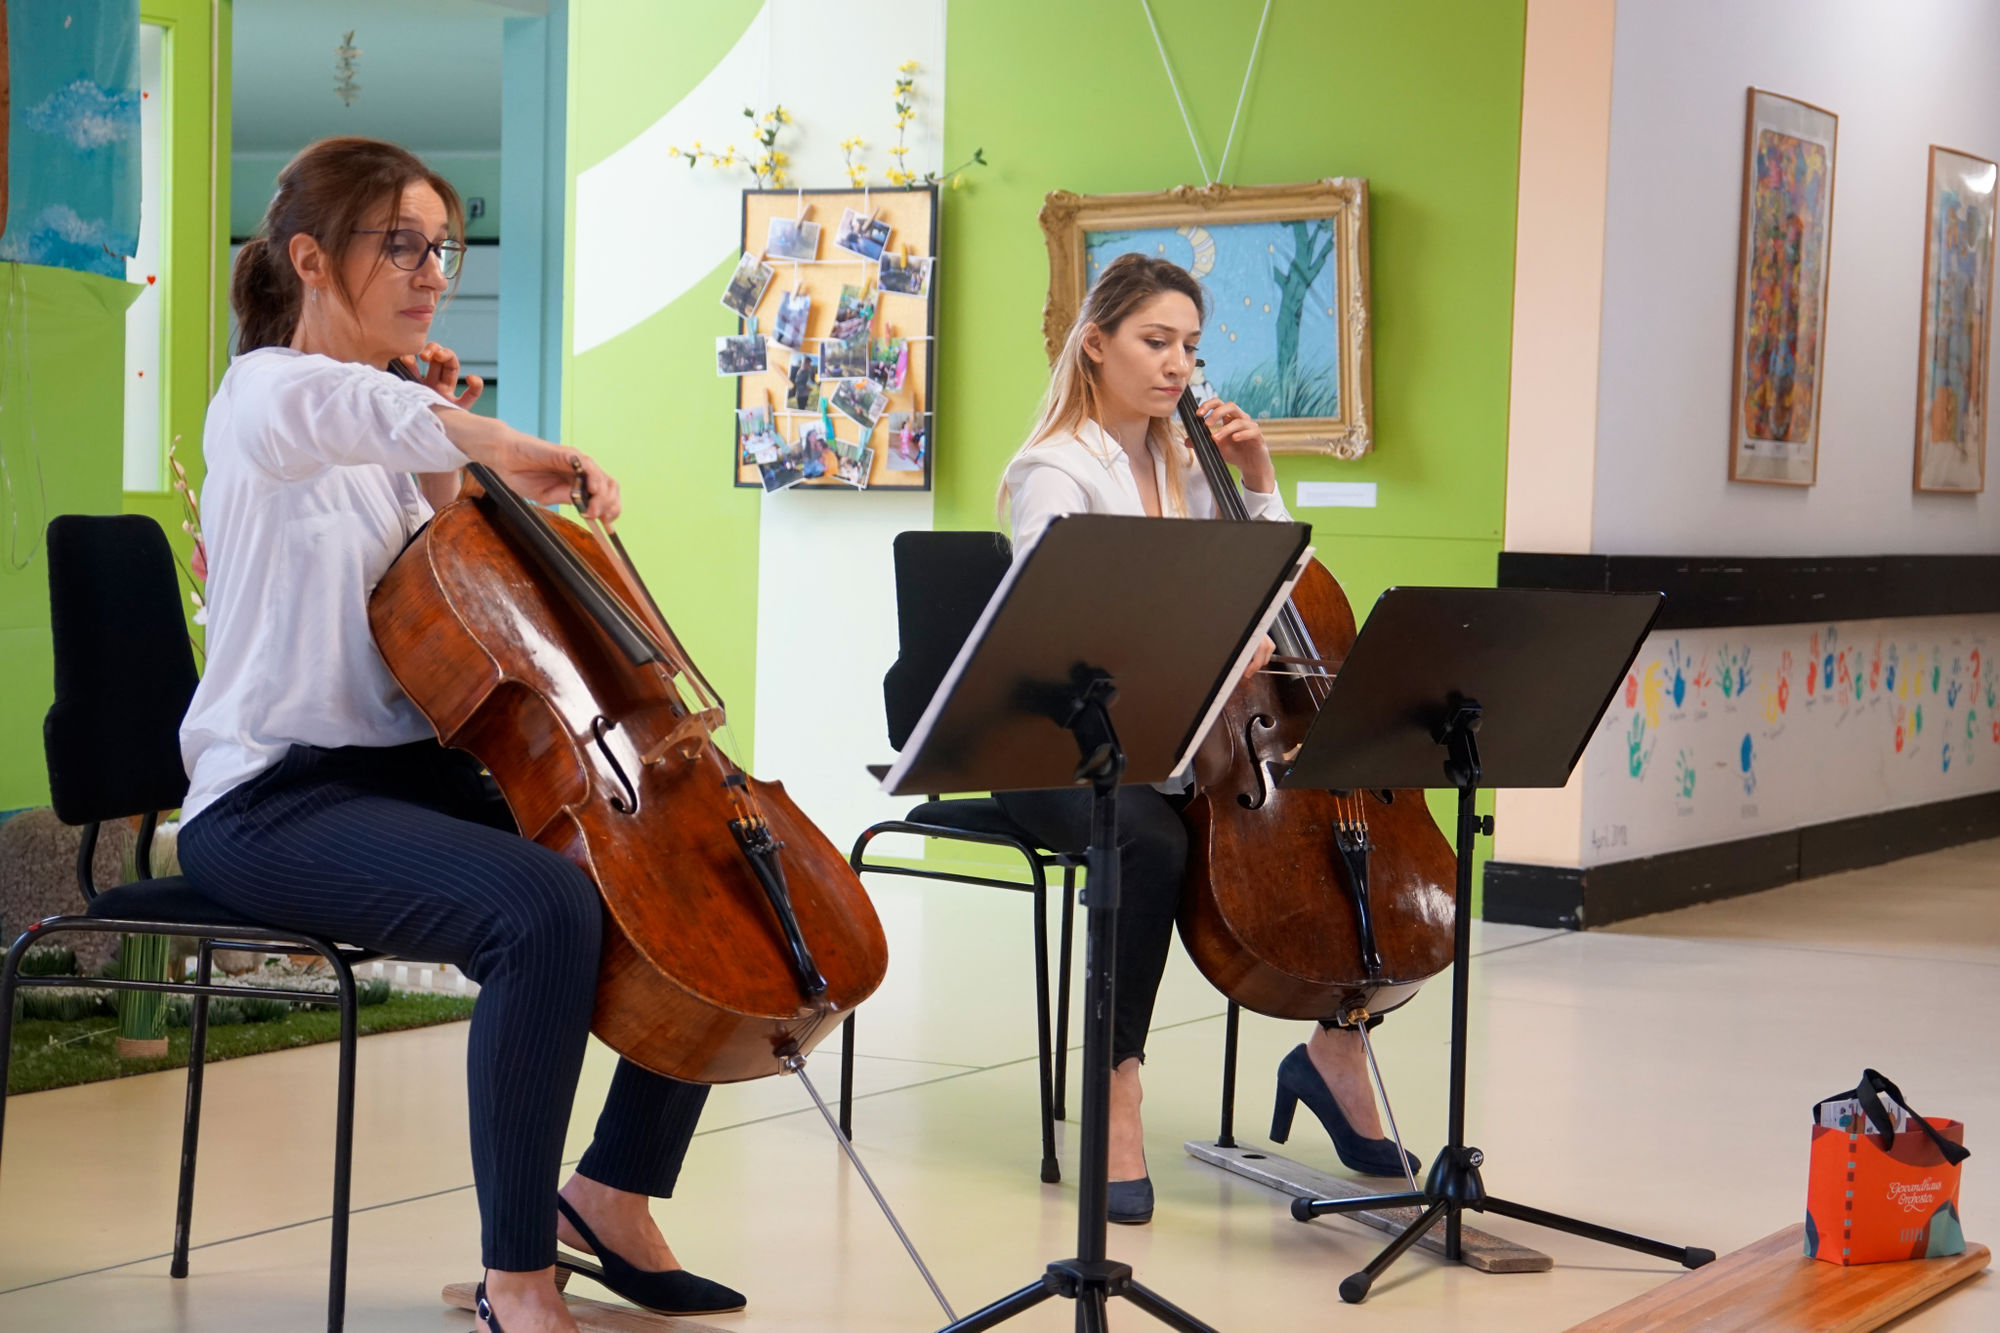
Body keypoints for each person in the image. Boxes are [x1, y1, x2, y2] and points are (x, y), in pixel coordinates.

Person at [173, 137, 740, 1333]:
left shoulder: (395, 433)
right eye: (402, 245)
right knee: (540, 911)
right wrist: (485, 441)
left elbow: (450, 606)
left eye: (444, 247)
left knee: (689, 870)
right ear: (311, 260)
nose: (433, 270)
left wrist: (446, 465)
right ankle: (515, 1279)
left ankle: (613, 1194)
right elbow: (347, 405)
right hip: (271, 802)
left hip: (402, 775)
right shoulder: (267, 398)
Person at [995, 253, 1421, 1226]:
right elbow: (1057, 633)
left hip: (1181, 735)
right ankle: (1116, 1083)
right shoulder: (1055, 472)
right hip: (1063, 743)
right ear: (1095, 343)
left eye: (1188, 344)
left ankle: (1336, 1046)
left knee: (1337, 819)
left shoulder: (1186, 465)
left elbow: (1280, 584)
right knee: (1145, 840)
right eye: (1154, 341)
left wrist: (1258, 481)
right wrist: (1195, 652)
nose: (1177, 364)